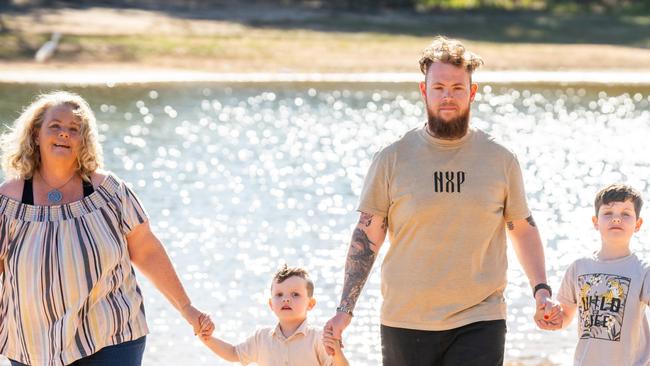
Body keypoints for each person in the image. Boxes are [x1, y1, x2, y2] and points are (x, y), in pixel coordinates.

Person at [323, 35, 553, 365]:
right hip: (405, 319)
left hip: (480, 317)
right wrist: (345, 310)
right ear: (424, 91)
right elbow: (367, 236)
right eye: (439, 87)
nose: (448, 96)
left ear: (472, 93)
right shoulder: (392, 158)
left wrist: (541, 290)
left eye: (458, 88)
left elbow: (522, 227)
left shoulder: (501, 159)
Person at [0, 91, 214, 366]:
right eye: (55, 126)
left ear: (83, 140)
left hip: (112, 333)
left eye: (73, 129)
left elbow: (147, 250)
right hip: (33, 343)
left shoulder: (110, 192)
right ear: (35, 135)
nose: (64, 133)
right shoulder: (8, 202)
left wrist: (187, 308)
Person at [544, 184, 649, 365]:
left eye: (626, 214)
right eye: (608, 213)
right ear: (595, 222)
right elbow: (564, 316)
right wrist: (551, 315)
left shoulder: (643, 270)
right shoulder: (579, 267)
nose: (616, 219)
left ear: (638, 224)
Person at [199, 265, 349, 366]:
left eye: (295, 294)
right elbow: (233, 353)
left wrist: (336, 350)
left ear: (310, 304)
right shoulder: (262, 338)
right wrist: (206, 338)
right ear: (271, 304)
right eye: (279, 294)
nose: (286, 299)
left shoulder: (318, 338)